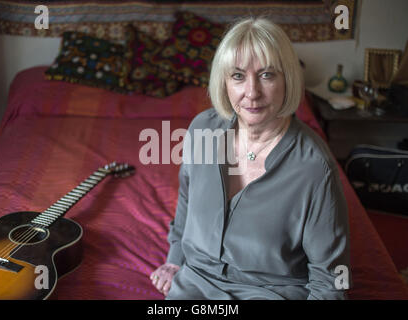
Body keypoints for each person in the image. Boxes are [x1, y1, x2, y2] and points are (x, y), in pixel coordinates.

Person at [150, 17, 350, 300]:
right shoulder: (202, 129)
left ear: (287, 80)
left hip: (269, 292)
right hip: (194, 281)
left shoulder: (315, 168)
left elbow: (330, 278)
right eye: (238, 76)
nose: (252, 93)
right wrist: (175, 259)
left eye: (267, 75)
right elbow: (186, 201)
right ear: (224, 82)